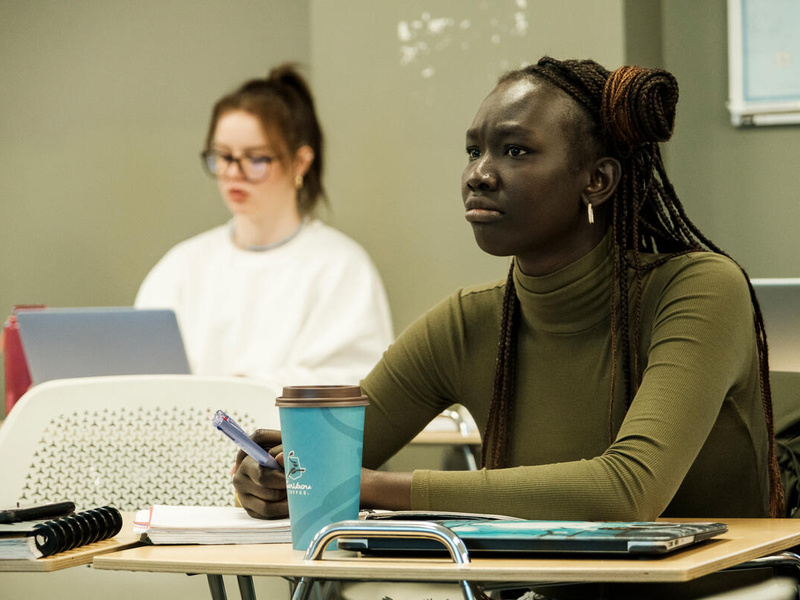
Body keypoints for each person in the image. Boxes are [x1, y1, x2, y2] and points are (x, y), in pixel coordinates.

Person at [233, 56, 782, 598]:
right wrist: (276, 478)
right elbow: (335, 460)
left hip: (719, 592)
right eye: (474, 150)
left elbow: (628, 491)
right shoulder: (471, 321)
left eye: (514, 151)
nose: (479, 174)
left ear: (597, 180)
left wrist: (364, 488)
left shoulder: (701, 289)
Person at [135, 64, 394, 388]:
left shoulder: (340, 267)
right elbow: (141, 374)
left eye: (256, 158)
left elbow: (357, 380)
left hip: (289, 439)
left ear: (300, 162)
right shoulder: (182, 265)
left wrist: (245, 388)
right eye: (224, 156)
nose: (234, 173)